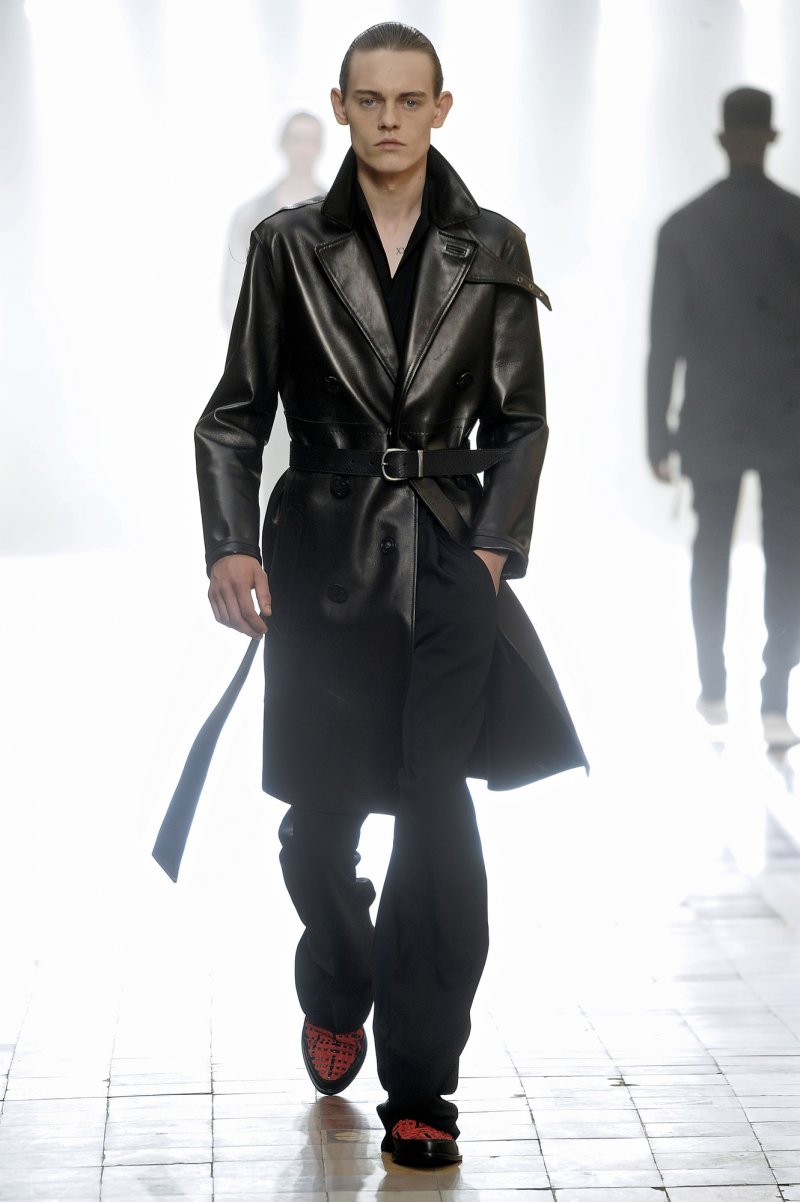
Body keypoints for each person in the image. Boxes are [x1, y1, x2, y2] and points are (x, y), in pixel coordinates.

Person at [194, 22, 585, 1169]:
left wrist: (492, 551)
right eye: (369, 100)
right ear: (341, 106)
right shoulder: (286, 246)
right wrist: (229, 544)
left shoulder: (490, 245)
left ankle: (421, 1085)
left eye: (410, 100)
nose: (389, 119)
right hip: (320, 557)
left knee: (435, 814)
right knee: (320, 823)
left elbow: (521, 420)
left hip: (449, 563)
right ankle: (338, 973)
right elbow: (234, 411)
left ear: (440, 109)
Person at [647, 87, 800, 749]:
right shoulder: (795, 220)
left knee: (710, 554)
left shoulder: (685, 226)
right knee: (787, 560)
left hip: (711, 418)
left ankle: (713, 690)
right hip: (788, 421)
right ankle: (773, 700)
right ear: (770, 137)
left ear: (723, 138)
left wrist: (657, 432)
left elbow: (665, 341)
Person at [221, 112, 326, 327]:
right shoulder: (251, 216)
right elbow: (234, 287)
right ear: (283, 143)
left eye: (312, 141)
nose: (304, 150)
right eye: (297, 139)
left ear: (320, 147)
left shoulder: (340, 216)